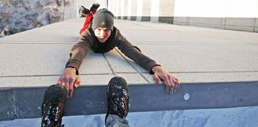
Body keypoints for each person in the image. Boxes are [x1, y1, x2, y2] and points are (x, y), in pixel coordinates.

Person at [41, 8, 180, 126]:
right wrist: (71, 68)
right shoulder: (89, 33)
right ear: (94, 28)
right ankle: (90, 14)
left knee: (134, 48)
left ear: (111, 28)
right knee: (80, 35)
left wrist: (155, 67)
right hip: (88, 34)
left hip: (108, 43)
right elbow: (81, 48)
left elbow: (131, 51)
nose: (102, 34)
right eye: (99, 30)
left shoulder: (115, 35)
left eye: (106, 30)